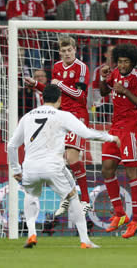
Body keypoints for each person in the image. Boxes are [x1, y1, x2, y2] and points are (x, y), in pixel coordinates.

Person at [8, 84, 120, 249]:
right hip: (53, 166)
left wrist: (16, 170)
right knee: (73, 197)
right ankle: (85, 241)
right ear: (60, 99)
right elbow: (87, 133)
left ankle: (31, 233)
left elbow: (11, 146)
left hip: (30, 167)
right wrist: (110, 138)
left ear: (43, 98)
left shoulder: (27, 116)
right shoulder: (62, 115)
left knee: (31, 194)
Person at [24, 37, 92, 216]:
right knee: (56, 162)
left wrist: (61, 84)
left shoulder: (81, 67)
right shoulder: (56, 67)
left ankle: (85, 200)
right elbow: (54, 93)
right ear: (60, 53)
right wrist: (37, 85)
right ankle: (68, 197)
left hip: (77, 116)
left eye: (69, 50)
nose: (67, 54)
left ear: (75, 50)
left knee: (71, 157)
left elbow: (80, 95)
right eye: (63, 51)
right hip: (60, 116)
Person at [98, 43, 137, 238]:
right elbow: (104, 91)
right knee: (107, 168)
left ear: (132, 62)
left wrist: (126, 91)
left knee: (131, 172)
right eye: (119, 62)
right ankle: (119, 213)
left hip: (130, 129)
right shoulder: (115, 74)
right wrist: (104, 78)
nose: (122, 65)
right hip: (114, 128)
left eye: (126, 62)